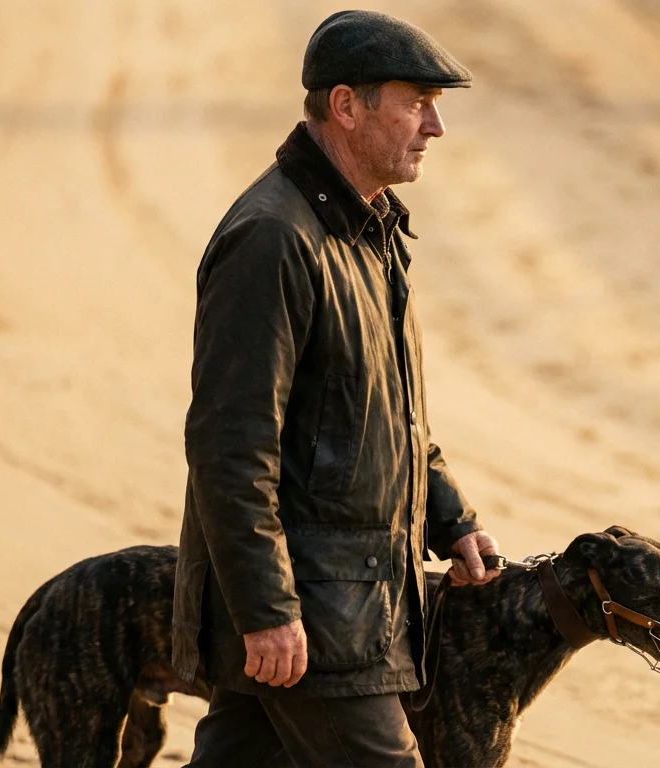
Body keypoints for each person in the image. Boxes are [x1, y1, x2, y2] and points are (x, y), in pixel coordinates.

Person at [171, 10, 500, 767]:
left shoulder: (369, 231)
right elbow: (230, 445)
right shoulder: (273, 239)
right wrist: (267, 610)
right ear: (347, 106)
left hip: (344, 605)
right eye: (418, 103)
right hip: (314, 618)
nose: (436, 126)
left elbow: (386, 414)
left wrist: (449, 517)